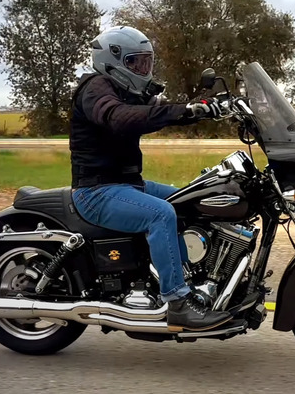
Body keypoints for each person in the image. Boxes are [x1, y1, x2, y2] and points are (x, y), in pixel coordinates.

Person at [69, 25, 231, 332]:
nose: (143, 69)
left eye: (146, 62)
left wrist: (207, 108)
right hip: (97, 191)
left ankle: (195, 280)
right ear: (111, 60)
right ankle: (178, 302)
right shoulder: (95, 89)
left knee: (193, 199)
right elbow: (120, 117)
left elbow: (160, 109)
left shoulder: (128, 91)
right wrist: (182, 111)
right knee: (161, 214)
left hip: (127, 185)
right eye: (135, 62)